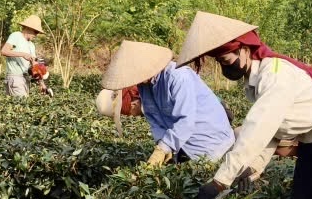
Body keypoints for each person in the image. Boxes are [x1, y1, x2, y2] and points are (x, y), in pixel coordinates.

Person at [176, 12, 312, 199]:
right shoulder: (253, 82)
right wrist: (252, 167)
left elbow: (258, 129)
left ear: (245, 50)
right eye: (221, 63)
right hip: (309, 143)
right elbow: (274, 130)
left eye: (227, 61)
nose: (225, 68)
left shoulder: (274, 74)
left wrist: (220, 182)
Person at [97, 40, 233, 166]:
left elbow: (186, 120)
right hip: (186, 146)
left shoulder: (177, 77)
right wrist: (161, 148)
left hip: (213, 146)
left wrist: (164, 148)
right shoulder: (144, 85)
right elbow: (155, 120)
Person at [0, 15, 44, 98]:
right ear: (28, 28)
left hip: (25, 79)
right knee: (21, 106)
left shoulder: (31, 45)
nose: (36, 35)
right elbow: (4, 51)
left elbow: (35, 66)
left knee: (20, 107)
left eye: (38, 32)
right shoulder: (16, 36)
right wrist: (23, 54)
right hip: (15, 77)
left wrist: (42, 84)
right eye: (35, 32)